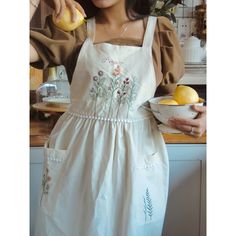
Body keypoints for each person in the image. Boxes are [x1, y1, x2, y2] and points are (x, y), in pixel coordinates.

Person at [30, 0, 206, 235]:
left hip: (134, 158)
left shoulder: (160, 32)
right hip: (78, 155)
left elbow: (167, 102)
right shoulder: (75, 29)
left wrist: (199, 116)